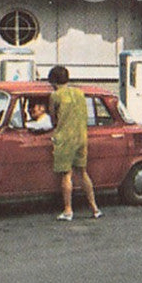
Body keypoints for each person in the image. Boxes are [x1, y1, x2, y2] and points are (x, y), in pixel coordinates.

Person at [48, 66, 100, 221]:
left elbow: (53, 119)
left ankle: (68, 210)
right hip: (81, 136)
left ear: (53, 80)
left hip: (65, 138)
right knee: (83, 172)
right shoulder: (79, 93)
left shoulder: (55, 95)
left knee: (66, 175)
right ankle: (95, 208)